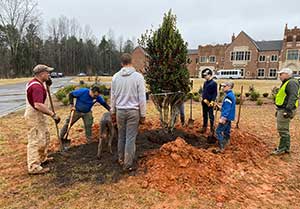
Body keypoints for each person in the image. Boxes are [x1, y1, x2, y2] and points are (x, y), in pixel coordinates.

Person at [111, 53, 146, 172]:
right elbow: (142, 98)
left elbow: (113, 96)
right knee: (130, 138)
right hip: (133, 112)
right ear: (132, 62)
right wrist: (143, 115)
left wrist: (112, 112)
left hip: (120, 111)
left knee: (121, 136)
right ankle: (128, 164)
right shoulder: (138, 77)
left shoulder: (115, 77)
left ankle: (121, 158)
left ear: (121, 63)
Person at [24, 64, 61, 174]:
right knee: (35, 140)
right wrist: (52, 114)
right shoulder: (36, 87)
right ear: (41, 74)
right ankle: (34, 166)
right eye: (47, 73)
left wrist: (47, 85)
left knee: (44, 136)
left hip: (39, 115)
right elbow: (38, 105)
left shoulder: (38, 83)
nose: (49, 74)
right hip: (34, 116)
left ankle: (42, 158)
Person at [272, 68, 299, 155]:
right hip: (282, 108)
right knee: (284, 129)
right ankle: (286, 147)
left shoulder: (291, 83)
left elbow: (293, 97)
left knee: (282, 129)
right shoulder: (288, 82)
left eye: (281, 74)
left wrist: (287, 110)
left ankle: (282, 148)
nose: (279, 76)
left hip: (285, 110)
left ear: (287, 74)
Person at [214, 81, 236, 153]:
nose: (223, 88)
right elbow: (227, 108)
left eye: (224, 86)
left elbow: (227, 109)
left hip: (226, 117)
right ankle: (226, 142)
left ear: (229, 87)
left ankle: (221, 147)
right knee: (226, 131)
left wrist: (223, 118)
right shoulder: (231, 95)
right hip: (229, 117)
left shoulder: (228, 97)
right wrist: (219, 107)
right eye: (222, 86)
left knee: (218, 131)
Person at [199, 68, 218, 133]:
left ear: (210, 75)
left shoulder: (214, 83)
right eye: (204, 76)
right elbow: (204, 92)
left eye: (205, 75)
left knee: (211, 116)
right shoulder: (205, 83)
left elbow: (215, 93)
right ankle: (204, 127)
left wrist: (212, 101)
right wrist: (203, 99)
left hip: (210, 103)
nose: (204, 77)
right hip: (204, 102)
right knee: (204, 115)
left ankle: (212, 130)